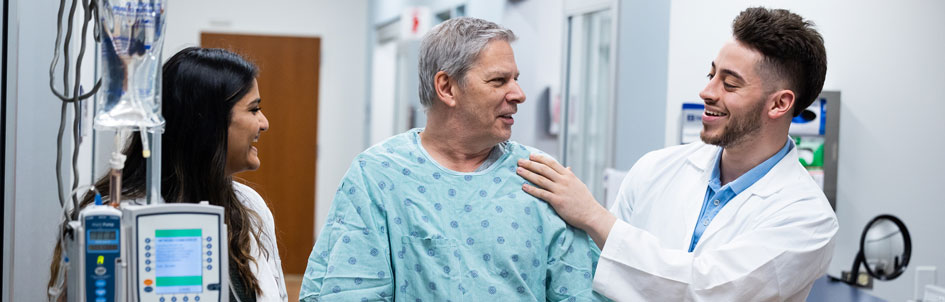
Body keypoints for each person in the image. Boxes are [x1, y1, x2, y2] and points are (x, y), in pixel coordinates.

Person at [516, 7, 838, 301]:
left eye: (730, 84)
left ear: (779, 104)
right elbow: (603, 272)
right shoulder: (655, 168)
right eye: (711, 75)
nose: (707, 92)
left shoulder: (807, 218)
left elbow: (707, 290)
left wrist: (593, 216)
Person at [299, 17, 606, 301]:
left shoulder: (540, 176)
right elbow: (349, 290)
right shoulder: (378, 176)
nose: (519, 94)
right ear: (446, 88)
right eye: (499, 81)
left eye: (516, 79)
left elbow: (576, 291)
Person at [46, 47, 288, 302]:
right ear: (208, 124)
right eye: (253, 109)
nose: (264, 123)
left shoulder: (250, 206)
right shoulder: (110, 222)